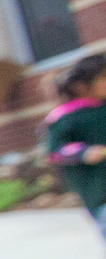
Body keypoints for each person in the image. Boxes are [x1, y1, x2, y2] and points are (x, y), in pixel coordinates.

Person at [42, 53, 106, 245]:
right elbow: (55, 151)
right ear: (82, 86)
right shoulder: (65, 117)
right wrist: (84, 152)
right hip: (99, 191)